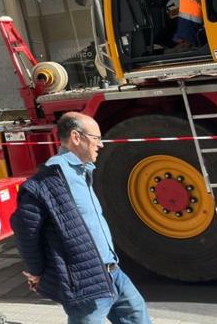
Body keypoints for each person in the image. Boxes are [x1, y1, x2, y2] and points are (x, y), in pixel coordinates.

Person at [11, 112, 152, 324]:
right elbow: (25, 229)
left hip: (113, 272)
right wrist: (37, 271)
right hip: (86, 280)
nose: (101, 145)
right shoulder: (49, 180)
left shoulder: (82, 172)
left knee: (136, 313)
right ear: (76, 137)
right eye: (96, 138)